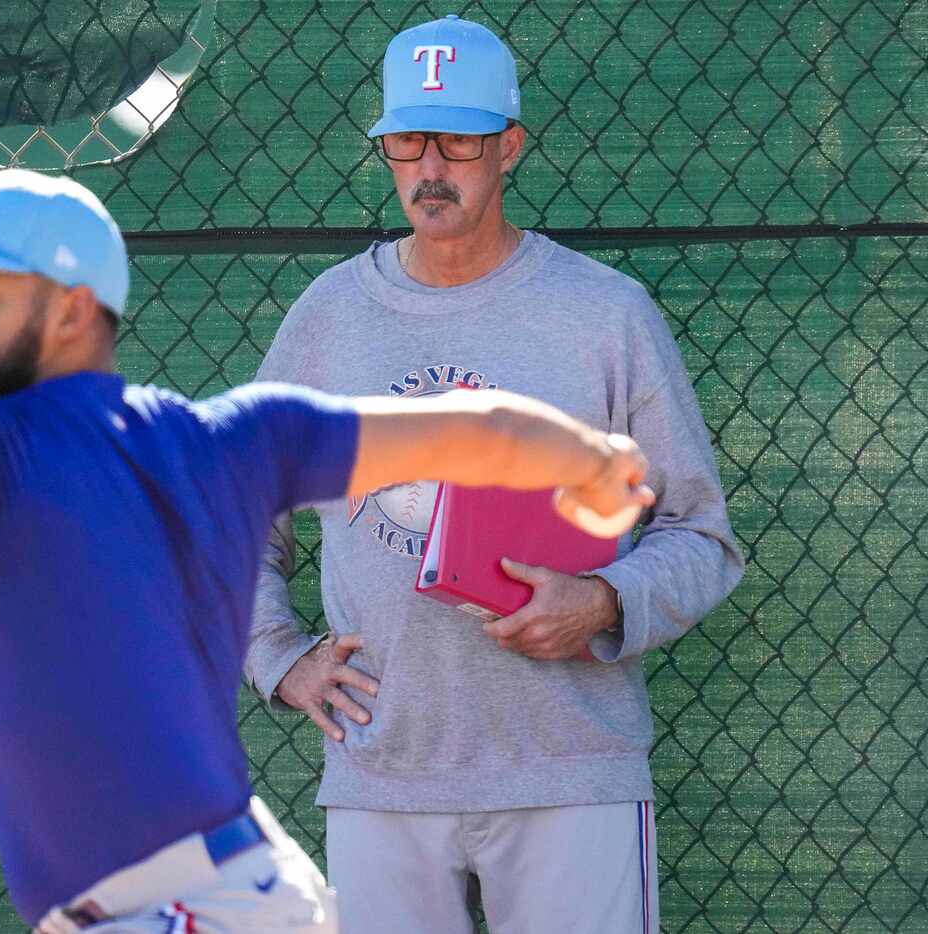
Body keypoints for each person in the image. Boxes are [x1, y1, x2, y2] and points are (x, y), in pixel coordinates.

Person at [0, 169, 654, 933]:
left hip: (181, 908)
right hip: (226, 894)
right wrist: (594, 459)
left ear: (70, 311)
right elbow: (474, 430)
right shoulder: (233, 438)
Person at [244, 15, 746, 934]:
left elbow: (700, 537)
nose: (431, 167)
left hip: (567, 765)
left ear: (508, 147)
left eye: (461, 140)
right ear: (385, 146)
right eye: (407, 140)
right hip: (382, 768)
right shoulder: (329, 319)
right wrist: (277, 658)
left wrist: (599, 600)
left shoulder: (604, 314)